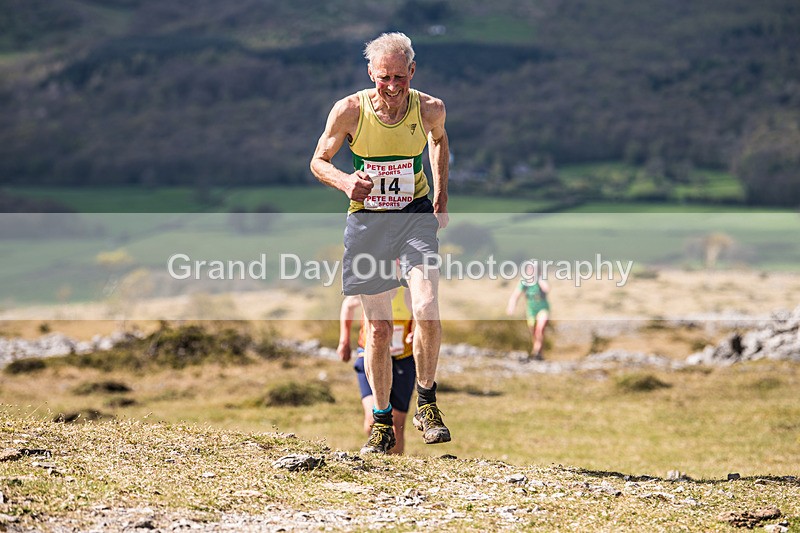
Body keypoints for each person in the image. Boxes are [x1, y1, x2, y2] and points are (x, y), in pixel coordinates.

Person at [310, 32, 451, 454]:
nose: (391, 86)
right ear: (371, 73)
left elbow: (439, 141)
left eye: (399, 78)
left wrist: (441, 195)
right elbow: (318, 159)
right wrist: (345, 180)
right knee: (379, 329)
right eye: (383, 77)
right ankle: (382, 422)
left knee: (425, 306)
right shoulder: (349, 110)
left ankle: (426, 401)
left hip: (414, 216)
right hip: (368, 223)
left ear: (412, 72)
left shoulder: (430, 108)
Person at [337, 286, 415, 454]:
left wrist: (415, 332)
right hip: (369, 355)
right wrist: (344, 340)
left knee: (397, 425)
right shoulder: (374, 285)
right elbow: (348, 305)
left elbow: (422, 313)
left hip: (402, 359)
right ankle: (378, 455)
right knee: (372, 419)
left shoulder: (408, 290)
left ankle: (396, 468)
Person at [506, 260, 551, 360]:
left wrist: (539, 279)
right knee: (534, 332)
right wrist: (511, 307)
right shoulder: (524, 282)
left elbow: (547, 289)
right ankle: (538, 352)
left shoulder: (541, 279)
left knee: (540, 328)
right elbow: (515, 295)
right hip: (531, 311)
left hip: (542, 309)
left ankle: (537, 352)